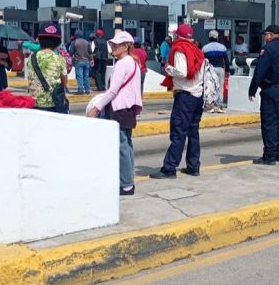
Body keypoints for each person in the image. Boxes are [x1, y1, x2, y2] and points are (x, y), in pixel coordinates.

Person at [87, 31, 143, 195]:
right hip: (128, 108)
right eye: (112, 44)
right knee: (127, 145)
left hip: (119, 108)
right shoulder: (133, 62)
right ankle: (128, 181)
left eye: (116, 44)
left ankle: (126, 184)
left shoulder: (122, 64)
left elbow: (112, 91)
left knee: (121, 147)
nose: (113, 47)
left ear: (126, 46)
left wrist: (96, 108)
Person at [150, 24, 205, 179]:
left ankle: (169, 168)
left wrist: (168, 68)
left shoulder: (180, 49)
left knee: (178, 132)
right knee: (193, 132)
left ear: (177, 36)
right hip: (197, 95)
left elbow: (182, 72)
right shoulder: (197, 50)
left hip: (185, 96)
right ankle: (193, 166)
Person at [249, 25, 279, 164]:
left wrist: (252, 89)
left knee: (269, 123)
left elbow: (260, 70)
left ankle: (269, 155)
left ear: (270, 35)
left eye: (266, 34)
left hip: (271, 90)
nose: (265, 37)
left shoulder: (268, 49)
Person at [25, 24, 68, 113]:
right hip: (53, 105)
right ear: (58, 42)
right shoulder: (60, 59)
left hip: (34, 104)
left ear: (39, 40)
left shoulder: (32, 58)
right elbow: (64, 82)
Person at [202, 30, 230, 113]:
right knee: (220, 88)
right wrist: (227, 70)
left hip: (209, 70)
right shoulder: (222, 47)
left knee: (209, 88)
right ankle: (219, 106)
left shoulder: (205, 48)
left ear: (209, 37)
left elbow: (202, 60)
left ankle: (210, 106)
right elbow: (226, 60)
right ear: (217, 37)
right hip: (220, 69)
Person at [70, 29, 91, 94]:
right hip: (86, 61)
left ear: (75, 35)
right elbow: (90, 52)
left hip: (78, 61)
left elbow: (71, 53)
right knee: (86, 76)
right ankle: (87, 90)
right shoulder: (87, 42)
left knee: (80, 76)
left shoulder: (74, 42)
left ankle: (81, 90)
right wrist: (91, 59)